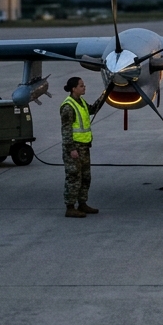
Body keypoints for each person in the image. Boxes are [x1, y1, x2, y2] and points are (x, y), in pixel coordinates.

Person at [60, 76, 105, 218]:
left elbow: (92, 109)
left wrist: (105, 95)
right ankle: (70, 207)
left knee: (86, 177)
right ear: (74, 89)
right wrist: (71, 148)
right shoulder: (68, 106)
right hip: (74, 149)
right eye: (81, 86)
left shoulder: (80, 102)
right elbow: (66, 130)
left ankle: (82, 203)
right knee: (73, 177)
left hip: (84, 147)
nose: (84, 87)